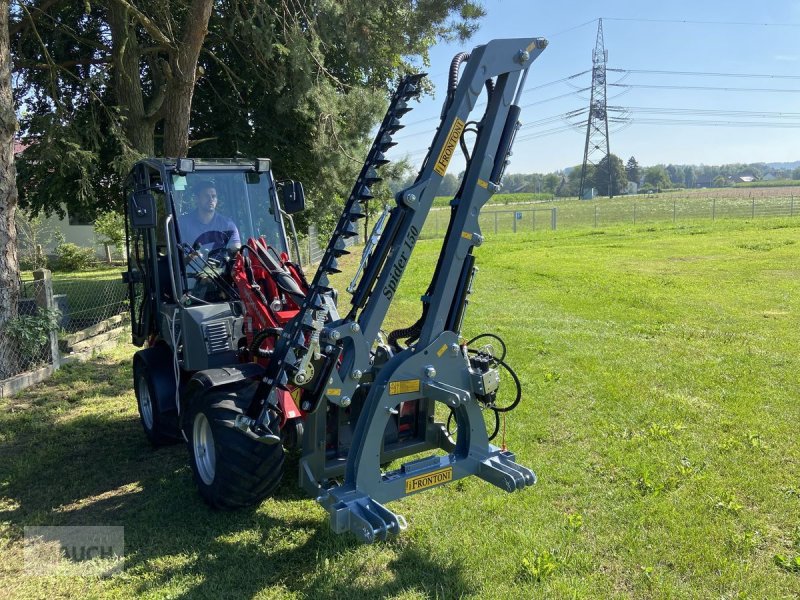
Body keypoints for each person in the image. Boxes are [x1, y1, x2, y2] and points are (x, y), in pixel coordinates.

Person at [179, 180, 241, 260]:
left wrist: (235, 252)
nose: (211, 199)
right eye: (206, 196)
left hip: (221, 272)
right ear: (197, 199)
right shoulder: (183, 224)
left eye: (213, 196)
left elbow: (236, 252)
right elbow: (178, 259)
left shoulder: (228, 225)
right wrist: (191, 257)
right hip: (190, 272)